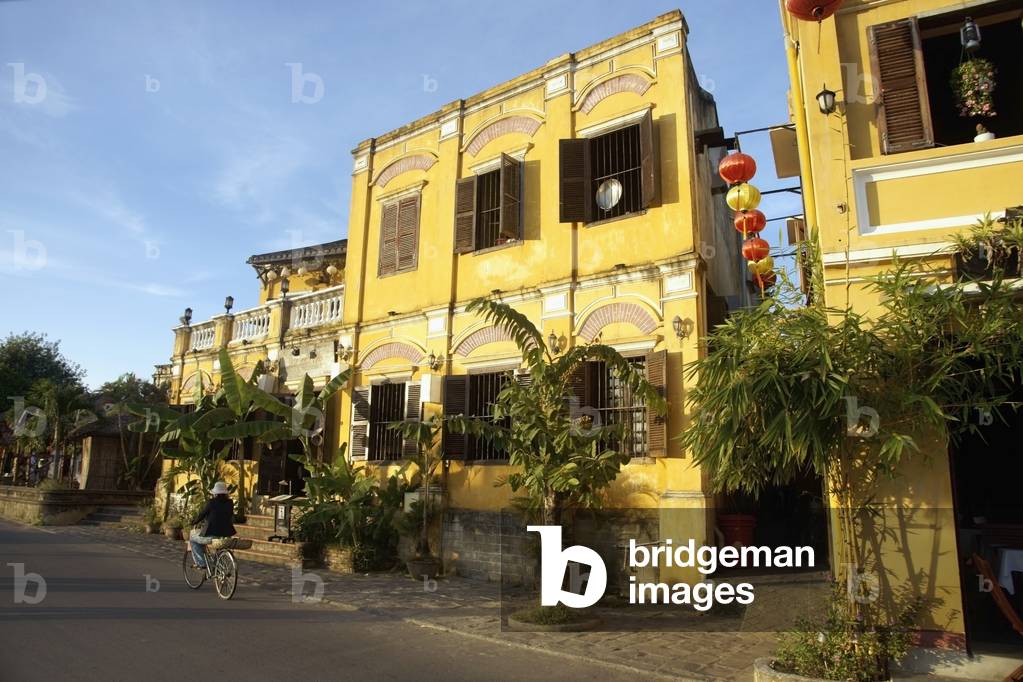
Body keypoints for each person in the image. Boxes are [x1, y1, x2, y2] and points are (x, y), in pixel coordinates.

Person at [188, 481, 237, 569]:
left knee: (192, 537)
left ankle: (201, 563)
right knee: (218, 546)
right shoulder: (230, 503)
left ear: (215, 494)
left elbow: (202, 515)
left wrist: (193, 522)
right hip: (225, 535)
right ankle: (217, 565)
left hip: (212, 536)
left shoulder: (211, 502)